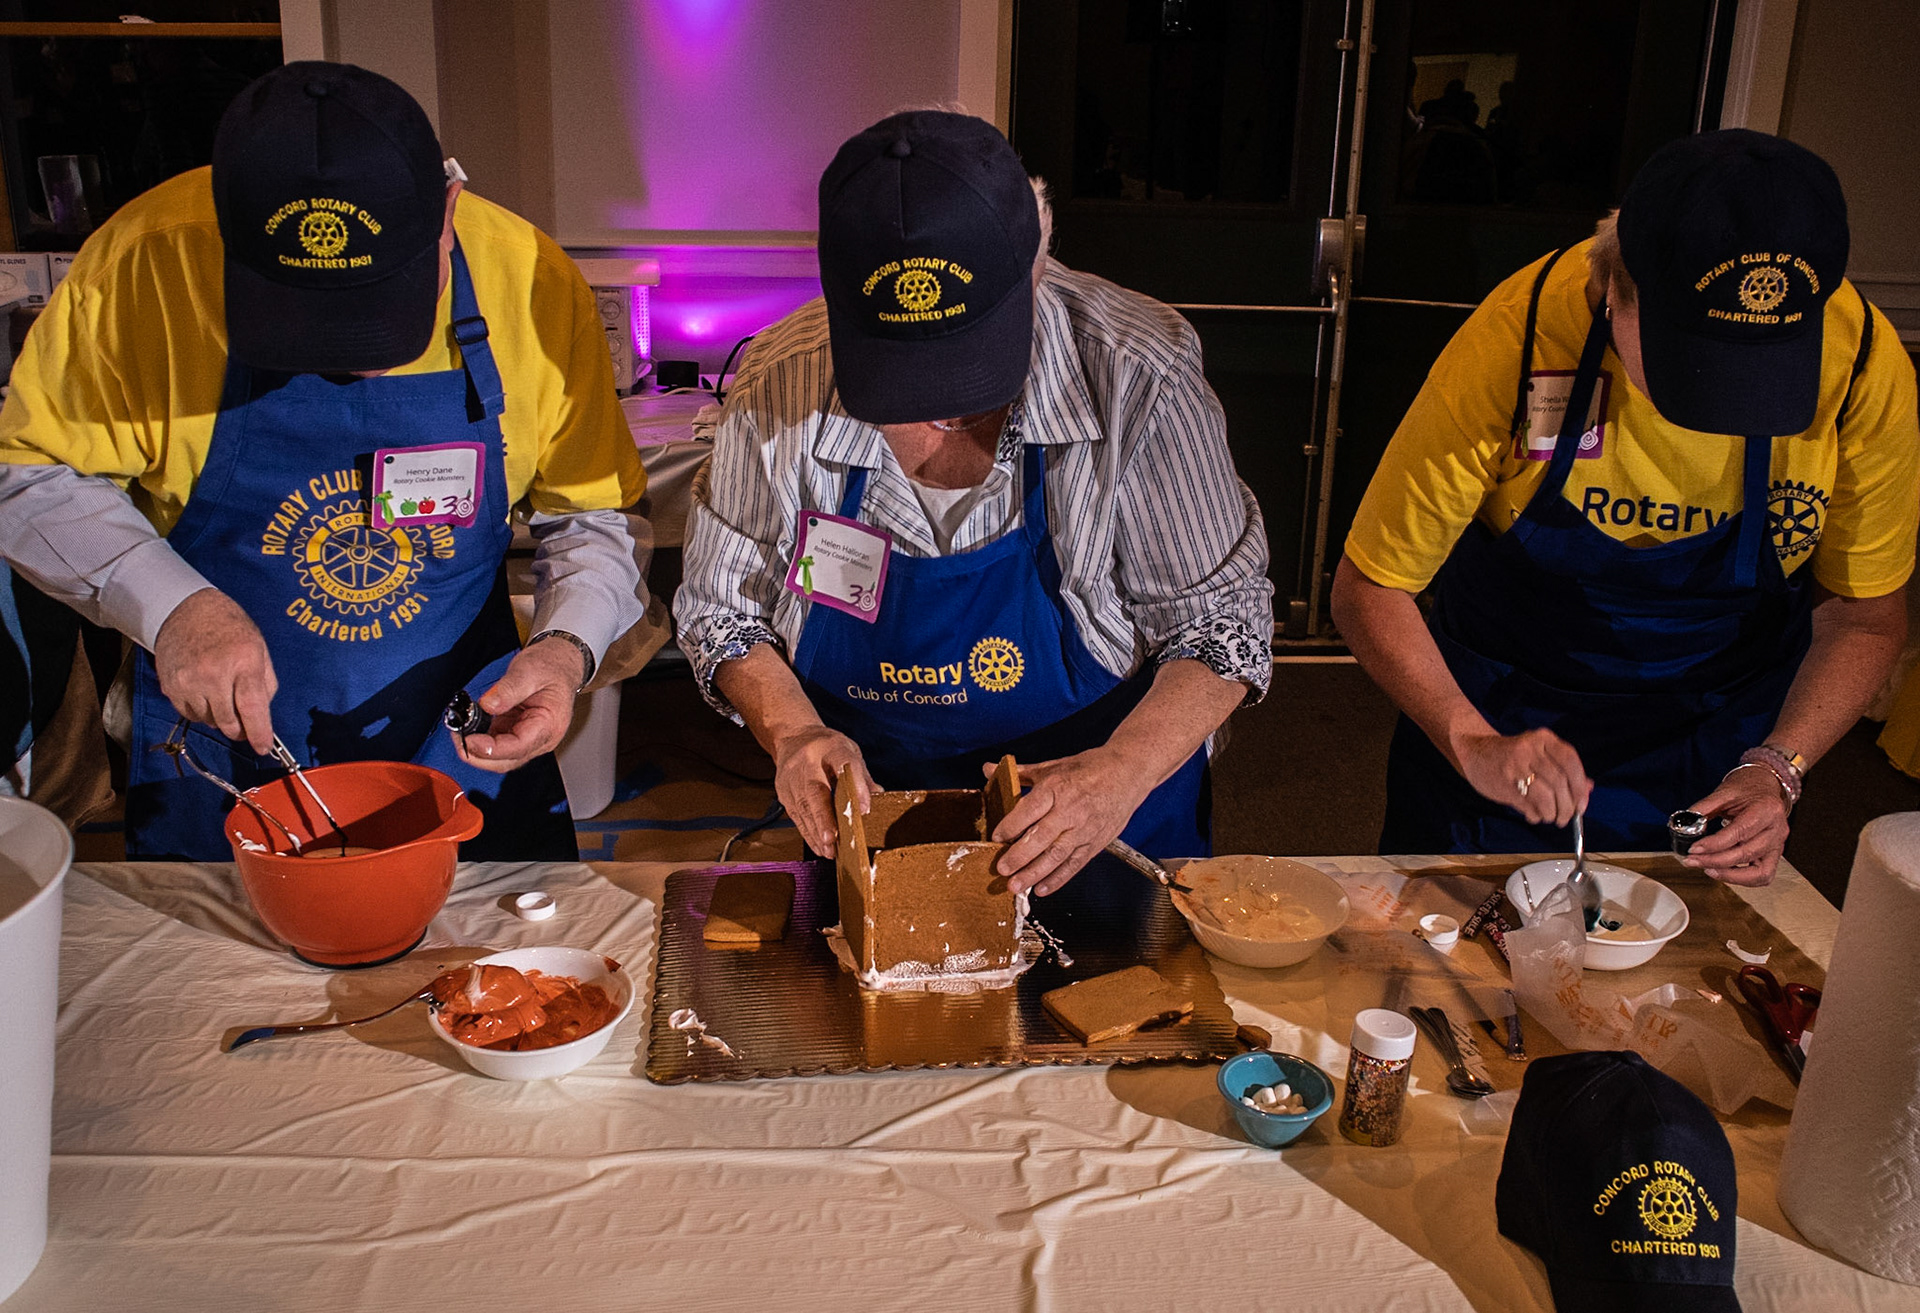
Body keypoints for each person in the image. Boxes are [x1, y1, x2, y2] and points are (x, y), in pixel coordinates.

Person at [0, 62, 650, 861]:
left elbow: (595, 513)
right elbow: (28, 475)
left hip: (462, 741)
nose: (353, 359)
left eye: (383, 308)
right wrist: (169, 606)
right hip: (221, 754)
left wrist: (565, 648)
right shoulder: (141, 264)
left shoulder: (531, 279)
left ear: (447, 210)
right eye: (301, 322)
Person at [675, 111, 1273, 897]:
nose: (937, 423)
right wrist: (792, 731)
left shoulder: (1138, 373)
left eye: (968, 381)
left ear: (1036, 270)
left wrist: (1123, 770)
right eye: (901, 388)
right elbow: (721, 611)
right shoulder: (781, 381)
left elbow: (1223, 626)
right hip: (875, 821)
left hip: (1105, 820)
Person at [1334, 129, 1917, 885]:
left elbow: (1864, 616)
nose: (1721, 409)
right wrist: (1469, 738)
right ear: (1615, 288)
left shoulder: (1861, 363)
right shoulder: (1518, 336)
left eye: (1760, 374)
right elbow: (1371, 585)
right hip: (1501, 720)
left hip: (1718, 743)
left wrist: (1778, 766)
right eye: (1691, 363)